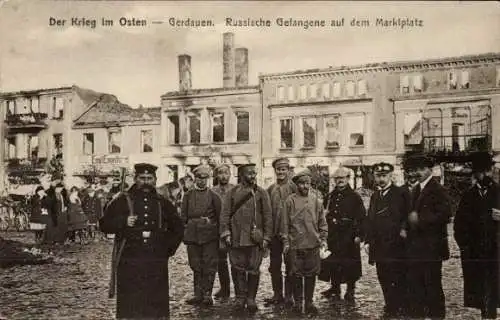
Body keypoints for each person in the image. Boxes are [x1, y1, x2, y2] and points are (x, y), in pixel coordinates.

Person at [99, 163, 184, 319]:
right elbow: (104, 224)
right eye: (142, 178)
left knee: (155, 298)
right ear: (135, 179)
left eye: (149, 178)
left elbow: (178, 227)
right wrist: (123, 222)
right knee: (131, 299)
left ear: (155, 180)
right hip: (130, 257)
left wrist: (167, 249)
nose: (146, 182)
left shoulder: (162, 202)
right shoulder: (122, 200)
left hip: (155, 258)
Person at [220, 164, 273, 313]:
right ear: (241, 175)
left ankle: (251, 298)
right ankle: (239, 297)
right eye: (249, 173)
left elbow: (268, 217)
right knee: (237, 268)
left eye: (254, 174)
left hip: (255, 239)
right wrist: (226, 233)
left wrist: (266, 238)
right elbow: (224, 215)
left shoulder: (261, 193)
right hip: (235, 238)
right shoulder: (232, 193)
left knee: (254, 269)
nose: (253, 176)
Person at [404, 155, 451, 319]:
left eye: (422, 169)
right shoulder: (415, 189)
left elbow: (445, 215)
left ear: (430, 170)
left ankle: (437, 316)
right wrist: (405, 227)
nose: (419, 172)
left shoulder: (438, 189)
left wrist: (421, 220)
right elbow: (409, 213)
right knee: (416, 284)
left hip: (432, 247)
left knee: (432, 285)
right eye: (416, 169)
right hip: (415, 247)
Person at [454, 152, 500, 319]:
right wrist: (465, 247)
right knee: (481, 290)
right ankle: (486, 315)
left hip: (496, 252)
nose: (487, 175)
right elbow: (459, 225)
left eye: (489, 170)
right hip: (475, 253)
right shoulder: (468, 195)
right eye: (483, 172)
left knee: (494, 289)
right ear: (476, 173)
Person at [365, 163, 411, 318]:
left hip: (396, 245)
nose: (381, 179)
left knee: (398, 275)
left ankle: (400, 305)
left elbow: (407, 215)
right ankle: (390, 304)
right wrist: (367, 241)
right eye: (378, 176)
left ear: (391, 176)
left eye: (384, 175)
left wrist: (404, 230)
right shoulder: (375, 195)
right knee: (383, 275)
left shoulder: (401, 193)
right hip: (379, 245)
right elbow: (370, 219)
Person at [280, 169, 328, 315]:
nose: (304, 186)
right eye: (301, 183)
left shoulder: (316, 201)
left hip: (312, 244)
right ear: (296, 185)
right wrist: (286, 242)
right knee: (295, 274)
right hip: (295, 245)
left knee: (311, 274)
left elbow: (322, 223)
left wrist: (323, 239)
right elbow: (284, 224)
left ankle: (309, 302)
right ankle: (298, 302)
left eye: (307, 183)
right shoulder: (290, 201)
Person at [321, 167, 366, 302]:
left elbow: (362, 217)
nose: (340, 180)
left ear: (348, 179)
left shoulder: (355, 197)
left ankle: (350, 290)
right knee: (333, 262)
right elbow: (323, 214)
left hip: (349, 235)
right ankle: (335, 288)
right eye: (337, 178)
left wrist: (359, 235)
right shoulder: (330, 196)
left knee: (350, 263)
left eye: (343, 178)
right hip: (333, 235)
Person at [181, 165, 222, 307]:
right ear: (195, 179)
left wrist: (213, 227)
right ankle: (197, 294)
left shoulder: (214, 196)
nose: (202, 181)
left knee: (209, 265)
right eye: (199, 178)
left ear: (209, 179)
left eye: (205, 178)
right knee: (195, 264)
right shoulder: (187, 195)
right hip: (192, 235)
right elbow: (183, 216)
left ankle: (207, 295)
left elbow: (220, 217)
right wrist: (185, 232)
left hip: (209, 236)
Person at [265, 158, 297, 306]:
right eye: (278, 169)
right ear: (275, 170)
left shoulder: (294, 188)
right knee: (275, 265)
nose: (281, 172)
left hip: (290, 234)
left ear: (288, 170)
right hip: (274, 234)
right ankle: (277, 294)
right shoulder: (270, 189)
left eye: (284, 169)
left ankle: (289, 295)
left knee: (290, 264)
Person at [211, 164, 236, 300]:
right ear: (216, 175)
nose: (223, 176)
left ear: (230, 174)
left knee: (236, 260)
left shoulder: (235, 189)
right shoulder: (213, 191)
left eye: (226, 173)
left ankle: (239, 289)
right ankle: (225, 288)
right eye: (220, 173)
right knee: (221, 261)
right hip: (218, 230)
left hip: (234, 229)